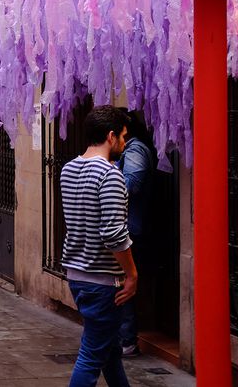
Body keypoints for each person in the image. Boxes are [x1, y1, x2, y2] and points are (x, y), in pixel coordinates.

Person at [61, 105, 137, 387]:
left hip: (77, 275)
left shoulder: (68, 170)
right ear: (110, 136)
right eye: (123, 136)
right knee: (92, 356)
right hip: (104, 281)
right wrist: (132, 274)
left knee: (109, 352)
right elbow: (114, 234)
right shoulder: (110, 175)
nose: (125, 143)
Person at [112, 108, 155, 356]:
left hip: (130, 229)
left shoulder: (135, 149)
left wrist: (107, 172)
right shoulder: (127, 150)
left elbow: (130, 186)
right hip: (126, 228)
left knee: (123, 283)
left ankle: (126, 340)